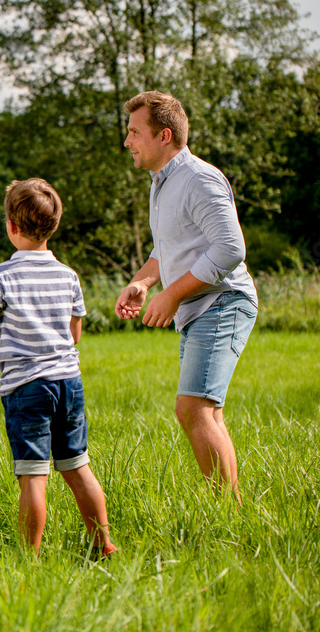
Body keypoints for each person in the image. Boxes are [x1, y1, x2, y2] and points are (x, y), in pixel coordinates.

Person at [0, 178, 115, 558]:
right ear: (54, 226)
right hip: (68, 382)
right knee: (78, 467)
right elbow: (75, 332)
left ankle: (31, 557)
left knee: (33, 476)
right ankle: (103, 542)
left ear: (11, 226)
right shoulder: (68, 275)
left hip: (27, 388)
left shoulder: (1, 276)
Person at [116, 91, 258, 503]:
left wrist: (173, 295)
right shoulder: (162, 184)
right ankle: (231, 507)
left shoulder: (199, 178)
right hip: (202, 307)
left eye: (134, 132)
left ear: (164, 135)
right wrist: (144, 283)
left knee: (192, 408)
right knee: (206, 410)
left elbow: (231, 248)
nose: (127, 142)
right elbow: (169, 248)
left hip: (223, 301)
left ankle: (226, 511)